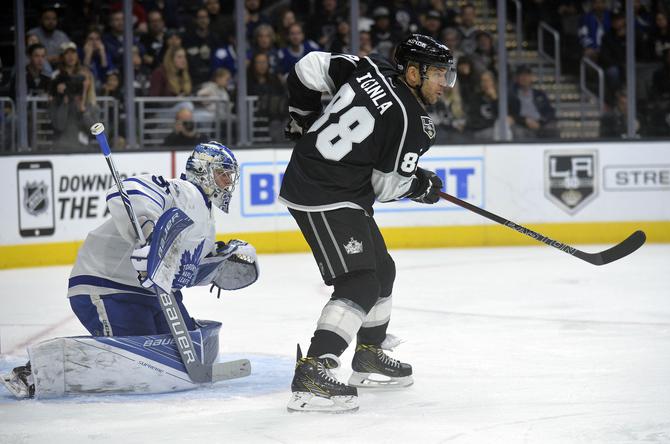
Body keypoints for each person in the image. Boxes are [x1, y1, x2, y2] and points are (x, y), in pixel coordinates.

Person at [279, 34, 456, 412]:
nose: (445, 84)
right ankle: (314, 370)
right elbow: (386, 186)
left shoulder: (370, 66)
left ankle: (369, 355)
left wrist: (303, 117)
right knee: (360, 281)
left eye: (447, 75)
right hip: (324, 190)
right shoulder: (413, 122)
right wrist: (419, 186)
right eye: (439, 74)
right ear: (413, 72)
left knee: (382, 270)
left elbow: (308, 67)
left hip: (331, 184)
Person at [1, 142, 258, 398]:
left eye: (229, 175)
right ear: (203, 169)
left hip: (153, 294)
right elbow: (130, 190)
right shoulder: (184, 191)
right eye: (222, 173)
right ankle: (35, 372)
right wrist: (149, 232)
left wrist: (219, 264)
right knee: (137, 362)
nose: (226, 181)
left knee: (177, 354)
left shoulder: (206, 219)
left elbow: (183, 271)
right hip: (108, 285)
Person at [508, 65, 558, 139]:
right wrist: (525, 121)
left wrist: (540, 122)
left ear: (531, 77)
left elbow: (549, 111)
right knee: (518, 132)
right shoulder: (512, 95)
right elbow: (511, 114)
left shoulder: (539, 94)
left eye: (527, 75)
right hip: (522, 125)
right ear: (517, 78)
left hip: (540, 124)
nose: (524, 78)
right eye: (521, 75)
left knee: (553, 128)